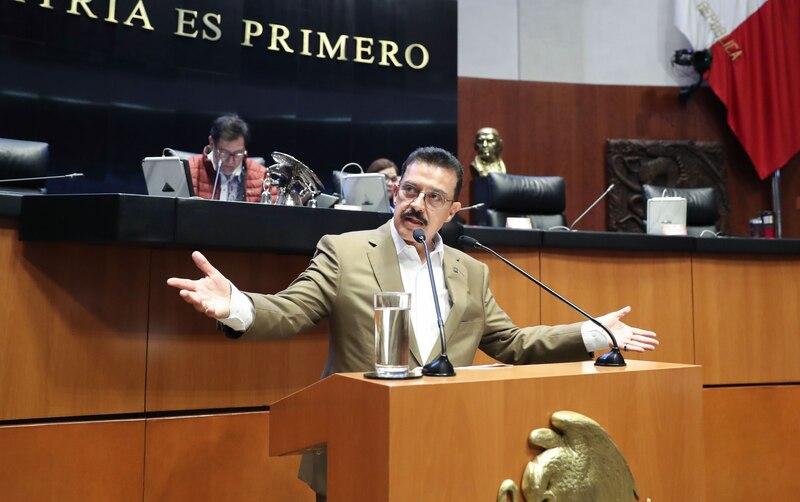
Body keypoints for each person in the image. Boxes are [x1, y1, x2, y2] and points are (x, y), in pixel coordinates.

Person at [167, 146, 658, 500]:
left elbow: (510, 343)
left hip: (446, 448)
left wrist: (592, 333)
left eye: (434, 197)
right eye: (410, 190)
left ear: (453, 209)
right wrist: (237, 306)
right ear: (394, 191)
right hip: (358, 448)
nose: (417, 204)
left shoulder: (472, 271)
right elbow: (291, 309)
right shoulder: (347, 251)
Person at [188, 115, 268, 202]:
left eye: (238, 153)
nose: (231, 161)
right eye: (224, 153)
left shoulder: (263, 176)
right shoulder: (189, 170)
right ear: (211, 143)